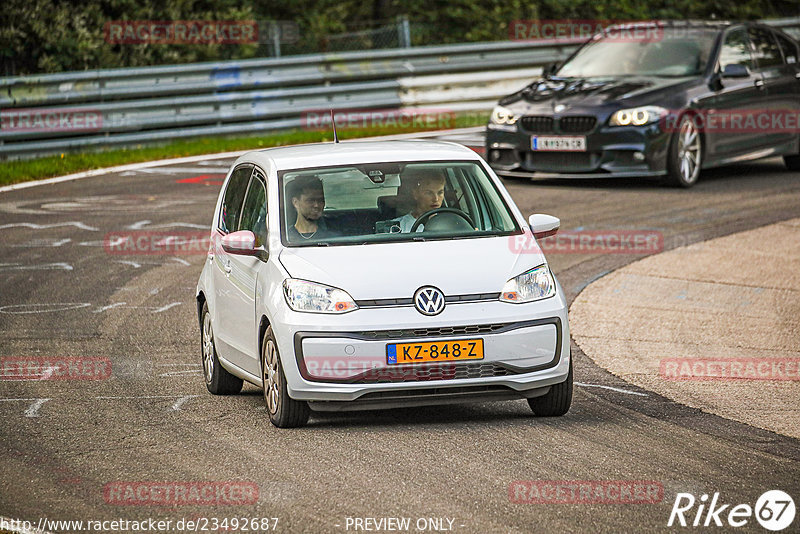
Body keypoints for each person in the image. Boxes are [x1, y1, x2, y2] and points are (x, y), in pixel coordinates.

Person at [286, 175, 338, 242]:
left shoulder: (333, 237)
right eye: (310, 200)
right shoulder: (286, 238)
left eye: (320, 200)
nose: (316, 205)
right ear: (295, 202)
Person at [397, 168, 446, 233]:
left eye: (440, 193)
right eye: (429, 193)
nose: (436, 199)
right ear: (416, 194)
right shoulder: (399, 226)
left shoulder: (451, 223)